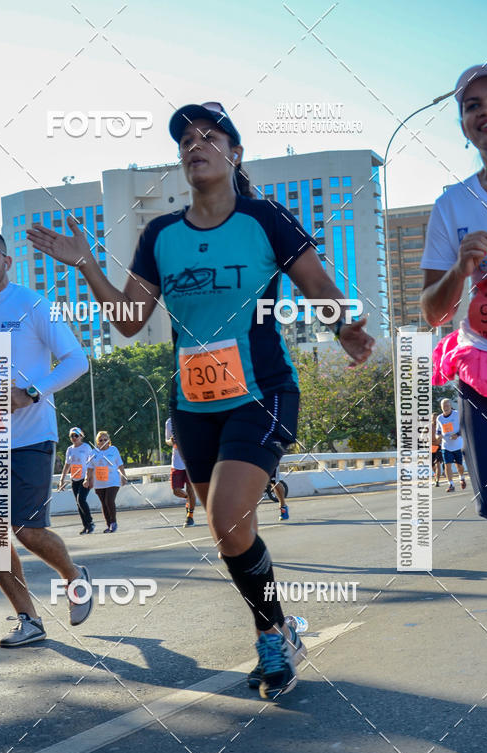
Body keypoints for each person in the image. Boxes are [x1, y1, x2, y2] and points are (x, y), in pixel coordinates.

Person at [27, 102, 374, 697]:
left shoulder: (265, 219)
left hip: (261, 392)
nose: (196, 145)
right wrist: (86, 263)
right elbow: (129, 320)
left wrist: (344, 326)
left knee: (227, 517)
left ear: (234, 153)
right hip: (192, 405)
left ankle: (272, 637)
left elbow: (318, 285)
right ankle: (279, 628)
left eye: (210, 136)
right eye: (186, 139)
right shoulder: (161, 235)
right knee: (231, 534)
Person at [0, 227, 93, 647]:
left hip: (31, 436)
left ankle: (73, 576)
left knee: (27, 531)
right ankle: (29, 619)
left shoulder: (33, 304)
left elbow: (76, 360)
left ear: (6, 262)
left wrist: (31, 393)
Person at [421, 62, 487, 583]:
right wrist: (460, 268)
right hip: (485, 373)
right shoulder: (452, 205)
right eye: (472, 105)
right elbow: (433, 311)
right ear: (463, 125)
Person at [85, 430, 127, 532]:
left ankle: (113, 522)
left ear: (109, 441)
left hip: (113, 481)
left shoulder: (113, 450)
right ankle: (109, 525)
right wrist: (87, 479)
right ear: (97, 442)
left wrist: (124, 476)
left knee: (109, 501)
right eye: (100, 440)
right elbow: (90, 468)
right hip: (99, 483)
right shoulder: (93, 452)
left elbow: (120, 464)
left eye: (105, 439)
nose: (103, 441)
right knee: (104, 504)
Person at [59, 427, 95, 533]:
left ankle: (90, 522)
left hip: (85, 478)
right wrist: (62, 479)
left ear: (81, 436)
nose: (74, 437)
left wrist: (90, 479)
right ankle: (86, 526)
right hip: (74, 479)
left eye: (76, 435)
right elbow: (67, 465)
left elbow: (92, 463)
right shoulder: (69, 449)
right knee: (78, 503)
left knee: (81, 500)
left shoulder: (86, 447)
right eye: (72, 436)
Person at [165, 416, 196, 527]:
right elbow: (167, 441)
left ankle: (190, 517)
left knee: (190, 488)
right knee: (176, 491)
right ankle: (188, 498)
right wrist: (171, 441)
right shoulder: (169, 422)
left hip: (191, 460)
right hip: (177, 462)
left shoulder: (191, 417)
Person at [436, 399, 466, 492]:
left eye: (447, 405)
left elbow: (464, 426)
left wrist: (457, 434)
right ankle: (451, 484)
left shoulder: (457, 414)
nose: (445, 407)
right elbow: (438, 431)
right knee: (447, 465)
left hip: (458, 445)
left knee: (459, 465)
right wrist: (438, 436)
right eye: (443, 406)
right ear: (441, 407)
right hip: (446, 446)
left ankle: (462, 477)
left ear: (450, 406)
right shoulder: (439, 418)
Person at [431, 412, 443, 487]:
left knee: (437, 463)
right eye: (433, 418)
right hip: (431, 447)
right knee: (432, 464)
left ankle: (437, 481)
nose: (434, 420)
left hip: (439, 446)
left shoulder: (440, 426)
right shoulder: (428, 427)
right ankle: (436, 474)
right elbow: (422, 436)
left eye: (435, 418)